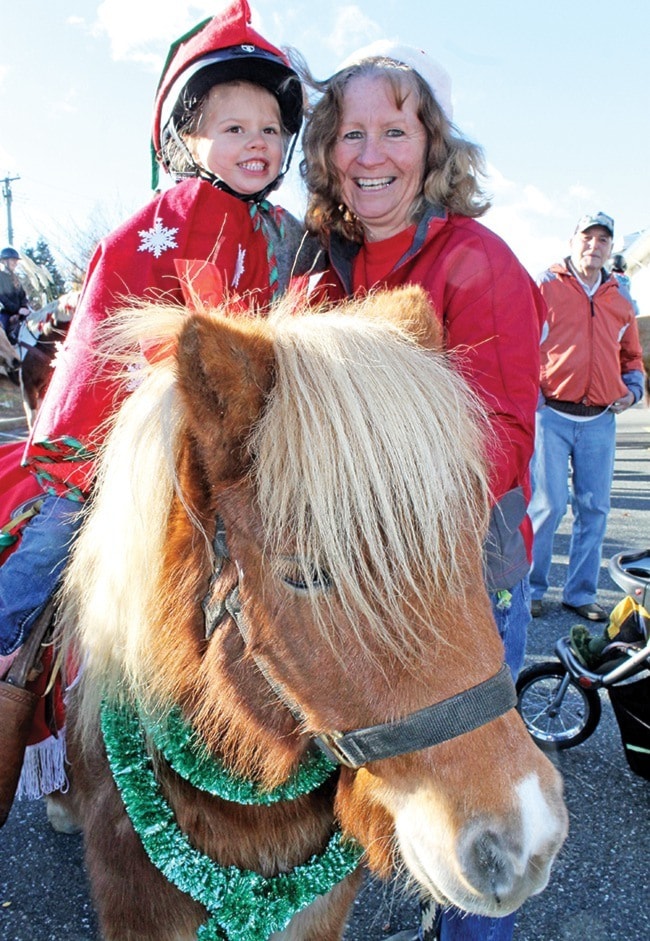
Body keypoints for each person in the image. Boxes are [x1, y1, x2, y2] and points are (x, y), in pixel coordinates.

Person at [0, 0, 317, 796]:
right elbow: (99, 338)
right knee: (54, 536)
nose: (258, 143)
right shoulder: (150, 228)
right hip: (132, 445)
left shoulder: (289, 238)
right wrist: (87, 451)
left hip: (250, 449)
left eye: (273, 129)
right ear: (188, 138)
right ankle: (10, 635)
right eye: (235, 126)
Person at [299, 39, 545, 941]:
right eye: (350, 132)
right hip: (344, 578)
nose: (371, 155)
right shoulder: (315, 267)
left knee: (472, 783)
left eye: (394, 130)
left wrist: (366, 503)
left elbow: (507, 437)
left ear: (431, 146)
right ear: (326, 150)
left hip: (462, 566)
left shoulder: (477, 261)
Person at [528, 213, 644, 621]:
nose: (594, 245)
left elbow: (631, 354)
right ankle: (533, 588)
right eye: (587, 237)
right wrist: (533, 396)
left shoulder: (620, 298)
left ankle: (580, 593)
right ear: (573, 240)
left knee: (594, 508)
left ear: (610, 249)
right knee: (548, 505)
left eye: (603, 240)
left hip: (600, 420)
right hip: (552, 416)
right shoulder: (545, 286)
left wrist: (633, 391)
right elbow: (522, 342)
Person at [0, 246, 29, 344]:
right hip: (4, 313)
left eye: (16, 261)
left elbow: (22, 295)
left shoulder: (16, 278)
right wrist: (17, 309)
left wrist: (24, 306)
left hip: (19, 313)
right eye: (13, 260)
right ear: (4, 261)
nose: (15, 263)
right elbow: (2, 298)